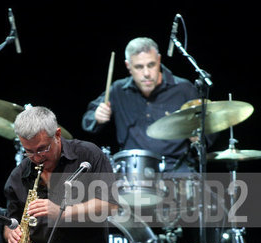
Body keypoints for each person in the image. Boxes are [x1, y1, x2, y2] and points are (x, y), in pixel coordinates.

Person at [4, 106, 118, 243]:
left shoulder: (88, 154)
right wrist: (11, 233)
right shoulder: (20, 174)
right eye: (29, 151)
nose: (36, 158)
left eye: (42, 149)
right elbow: (11, 220)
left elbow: (110, 205)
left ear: (57, 134)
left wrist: (62, 213)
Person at [82, 37, 214, 172]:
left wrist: (198, 135)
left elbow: (210, 129)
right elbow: (88, 120)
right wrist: (97, 117)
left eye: (151, 65)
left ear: (159, 60)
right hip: (133, 172)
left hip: (177, 169)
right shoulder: (118, 90)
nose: (146, 73)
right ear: (128, 66)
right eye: (139, 67)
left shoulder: (184, 88)